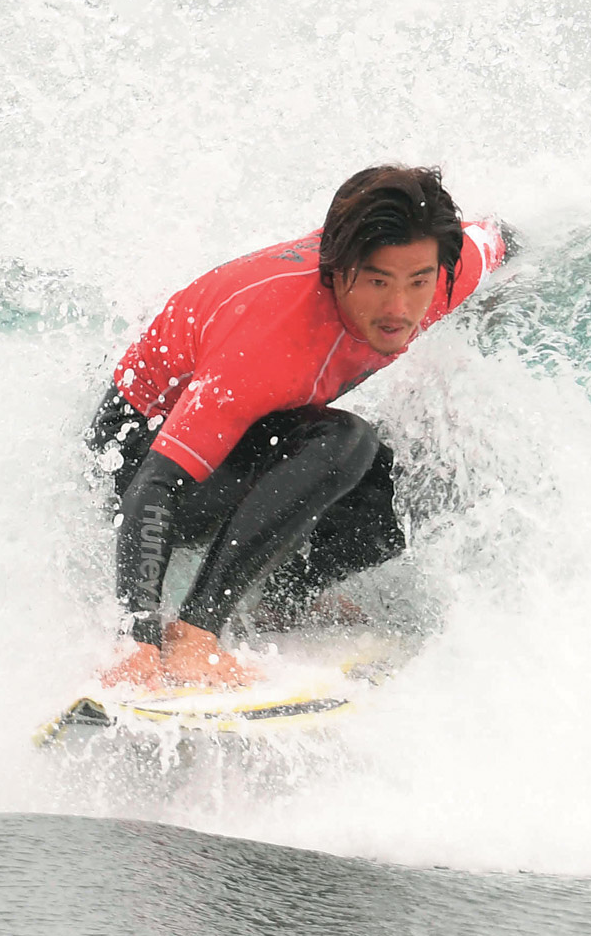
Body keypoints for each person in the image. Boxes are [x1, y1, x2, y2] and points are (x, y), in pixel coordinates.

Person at [87, 164, 512, 688]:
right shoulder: (266, 336)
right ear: (335, 271)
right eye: (378, 281)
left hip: (253, 438)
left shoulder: (447, 272)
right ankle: (194, 633)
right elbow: (153, 487)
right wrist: (136, 638)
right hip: (136, 453)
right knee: (346, 441)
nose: (399, 309)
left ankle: (280, 603)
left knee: (411, 485)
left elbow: (497, 241)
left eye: (418, 282)